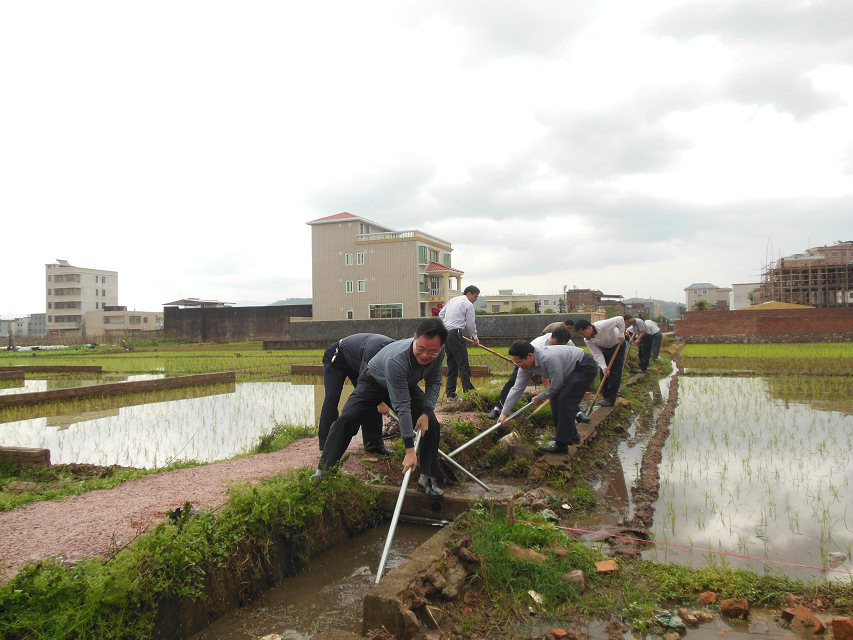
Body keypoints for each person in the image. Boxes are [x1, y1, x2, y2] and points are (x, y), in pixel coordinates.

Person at [316, 318, 448, 497]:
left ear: (440, 348)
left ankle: (427, 479)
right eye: (421, 349)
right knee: (348, 418)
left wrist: (426, 412)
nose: (425, 356)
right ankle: (323, 472)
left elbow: (434, 382)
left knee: (432, 424)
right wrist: (410, 450)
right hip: (373, 381)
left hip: (405, 382)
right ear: (414, 339)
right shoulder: (397, 360)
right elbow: (403, 406)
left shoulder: (439, 353)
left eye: (432, 352)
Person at [499, 339, 597, 454]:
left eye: (519, 362)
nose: (518, 365)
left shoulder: (548, 358)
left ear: (530, 356)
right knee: (555, 398)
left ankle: (562, 445)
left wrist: (540, 397)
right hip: (569, 370)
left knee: (565, 399)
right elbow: (516, 389)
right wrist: (504, 413)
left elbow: (557, 383)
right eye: (515, 363)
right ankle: (572, 436)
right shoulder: (524, 367)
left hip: (584, 366)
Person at [318, 333, 394, 454]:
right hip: (337, 357)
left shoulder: (393, 356)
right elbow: (368, 378)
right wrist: (381, 402)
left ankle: (373, 446)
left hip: (356, 361)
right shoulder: (375, 350)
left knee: (369, 398)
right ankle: (326, 445)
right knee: (332, 398)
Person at [487, 326, 572, 420]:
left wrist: (548, 393)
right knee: (514, 383)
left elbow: (572, 368)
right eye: (554, 344)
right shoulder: (538, 346)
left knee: (561, 390)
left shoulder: (569, 345)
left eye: (559, 346)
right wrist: (504, 413)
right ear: (551, 337)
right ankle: (498, 408)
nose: (555, 348)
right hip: (524, 358)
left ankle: (575, 414)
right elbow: (519, 387)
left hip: (542, 363)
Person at [438, 285, 480, 398]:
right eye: (475, 297)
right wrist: (474, 338)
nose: (476, 299)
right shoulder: (468, 305)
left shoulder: (453, 300)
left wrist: (447, 325)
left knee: (452, 364)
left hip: (446, 334)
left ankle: (450, 394)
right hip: (455, 333)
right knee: (463, 363)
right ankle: (468, 391)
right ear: (469, 294)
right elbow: (471, 324)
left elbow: (441, 314)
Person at [575, 316, 626, 407]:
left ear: (589, 328)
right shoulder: (587, 340)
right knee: (604, 373)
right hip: (604, 349)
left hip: (618, 345)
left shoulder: (602, 325)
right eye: (581, 335)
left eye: (583, 333)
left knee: (614, 373)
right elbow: (597, 353)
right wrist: (604, 367)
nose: (583, 336)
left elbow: (620, 319)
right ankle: (605, 396)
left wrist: (621, 335)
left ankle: (611, 400)